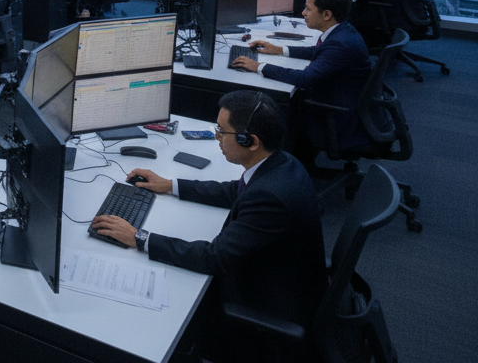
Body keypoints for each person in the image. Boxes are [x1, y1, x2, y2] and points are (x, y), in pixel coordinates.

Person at [91, 91, 326, 363]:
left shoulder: (270, 198)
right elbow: (235, 191)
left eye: (221, 132)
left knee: (156, 315)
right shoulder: (281, 163)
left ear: (249, 141)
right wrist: (171, 185)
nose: (217, 138)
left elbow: (214, 258)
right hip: (282, 276)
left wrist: (138, 237)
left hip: (264, 306)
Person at [231, 0, 373, 156]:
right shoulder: (343, 31)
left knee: (270, 108)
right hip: (343, 99)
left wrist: (259, 67)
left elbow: (304, 78)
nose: (303, 13)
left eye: (308, 9)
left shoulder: (339, 45)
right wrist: (280, 49)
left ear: (327, 15)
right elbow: (318, 52)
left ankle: (285, 162)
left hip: (338, 116)